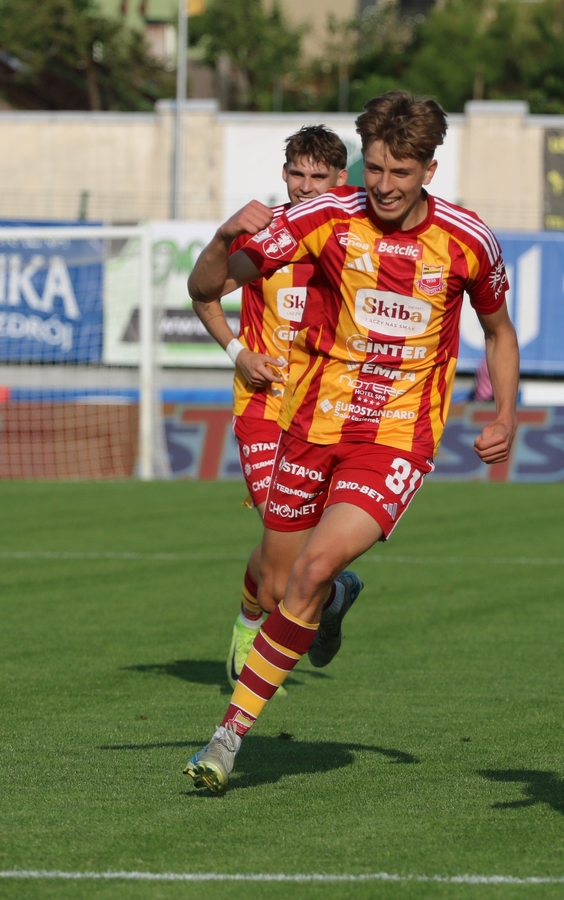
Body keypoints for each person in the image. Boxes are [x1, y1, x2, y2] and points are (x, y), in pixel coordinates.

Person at [183, 90, 520, 794]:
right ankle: (334, 602)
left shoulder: (469, 240)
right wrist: (221, 240)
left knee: (309, 572)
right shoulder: (324, 217)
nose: (385, 186)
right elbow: (209, 285)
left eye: (402, 172)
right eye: (376, 169)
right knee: (282, 584)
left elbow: (498, 331)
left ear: (429, 169)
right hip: (309, 427)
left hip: (395, 438)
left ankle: (227, 736)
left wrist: (505, 414)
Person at [188, 126, 351, 691]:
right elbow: (203, 293)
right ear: (284, 174)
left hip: (327, 410)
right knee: (282, 549)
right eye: (296, 174)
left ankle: (328, 597)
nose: (306, 186)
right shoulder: (264, 235)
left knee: (298, 557)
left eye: (319, 176)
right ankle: (256, 617)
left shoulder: (357, 241)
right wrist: (238, 353)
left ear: (341, 180)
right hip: (263, 407)